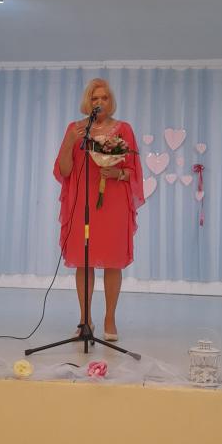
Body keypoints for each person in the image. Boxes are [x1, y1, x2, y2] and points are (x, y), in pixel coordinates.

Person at [53, 78, 144, 341]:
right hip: (83, 203)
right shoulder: (75, 129)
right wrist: (70, 142)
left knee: (113, 261)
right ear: (88, 102)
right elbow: (64, 170)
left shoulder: (124, 129)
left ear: (110, 101)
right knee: (84, 260)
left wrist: (117, 173)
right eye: (95, 98)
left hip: (113, 203)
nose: (100, 102)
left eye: (104, 98)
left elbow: (134, 171)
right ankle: (85, 319)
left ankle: (109, 318)